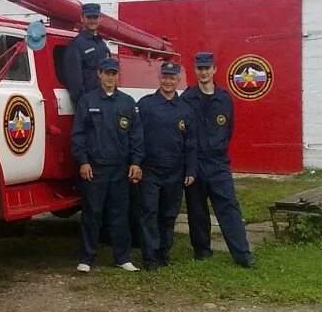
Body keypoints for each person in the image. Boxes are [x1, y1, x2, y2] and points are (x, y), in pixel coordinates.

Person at [182, 52, 255, 268]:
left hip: (218, 163)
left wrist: (217, 149)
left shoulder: (224, 98)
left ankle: (242, 255)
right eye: (200, 68)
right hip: (195, 163)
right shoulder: (186, 99)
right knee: (196, 210)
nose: (203, 72)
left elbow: (228, 130)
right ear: (195, 70)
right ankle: (202, 250)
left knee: (229, 208)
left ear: (214, 69)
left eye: (207, 68)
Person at [71, 57, 144, 272]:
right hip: (96, 168)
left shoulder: (127, 102)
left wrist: (136, 162)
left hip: (120, 169)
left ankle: (122, 257)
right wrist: (83, 162)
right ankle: (86, 258)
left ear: (117, 75)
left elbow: (136, 136)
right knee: (92, 213)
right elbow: (79, 134)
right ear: (99, 74)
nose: (110, 77)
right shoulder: (88, 101)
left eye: (113, 73)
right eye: (106, 73)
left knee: (120, 214)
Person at [136, 62, 197, 270]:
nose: (168, 81)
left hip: (175, 171)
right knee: (149, 213)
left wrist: (190, 170)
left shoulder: (186, 109)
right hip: (150, 170)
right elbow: (136, 138)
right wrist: (136, 164)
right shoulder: (145, 104)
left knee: (168, 215)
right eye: (165, 77)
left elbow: (191, 143)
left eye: (172, 78)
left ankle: (164, 253)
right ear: (159, 78)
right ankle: (150, 257)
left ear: (178, 80)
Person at [63, 2, 111, 106]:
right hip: (89, 103)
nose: (92, 20)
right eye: (89, 17)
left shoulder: (103, 45)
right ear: (82, 18)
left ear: (100, 18)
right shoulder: (76, 45)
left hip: (106, 102)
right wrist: (84, 104)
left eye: (95, 17)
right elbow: (74, 80)